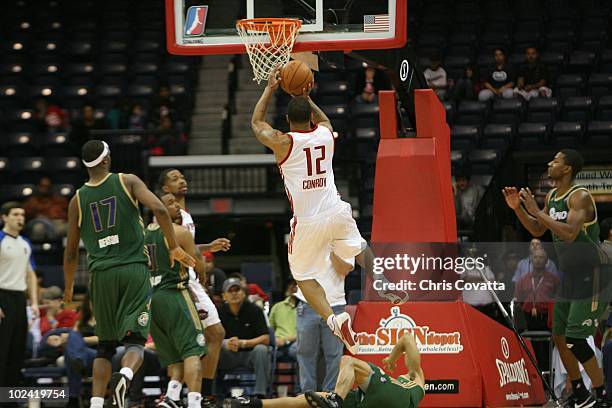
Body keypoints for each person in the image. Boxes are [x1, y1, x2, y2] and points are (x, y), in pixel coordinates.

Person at [251, 69, 400, 354]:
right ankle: (380, 278)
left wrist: (270, 89)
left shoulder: (283, 143)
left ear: (286, 120)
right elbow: (325, 120)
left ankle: (334, 320)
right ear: (310, 117)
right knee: (359, 246)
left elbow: (257, 123)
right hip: (336, 210)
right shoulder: (325, 135)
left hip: (307, 221)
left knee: (303, 276)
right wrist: (305, 96)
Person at [62, 140, 195, 408]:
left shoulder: (77, 199)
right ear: (106, 159)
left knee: (105, 346)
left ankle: (97, 402)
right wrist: (172, 246)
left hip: (100, 275)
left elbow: (71, 252)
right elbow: (159, 209)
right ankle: (124, 375)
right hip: (133, 269)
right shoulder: (127, 180)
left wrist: (68, 289)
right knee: (134, 342)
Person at [503, 149, 608, 406]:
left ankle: (602, 395)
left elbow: (571, 233)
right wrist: (519, 210)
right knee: (559, 337)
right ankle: (582, 395)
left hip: (592, 275)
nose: (550, 163)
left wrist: (537, 212)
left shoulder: (580, 196)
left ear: (568, 168)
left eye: (556, 161)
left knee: (575, 338)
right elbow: (539, 228)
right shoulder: (552, 196)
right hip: (570, 275)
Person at [159, 168, 230, 405]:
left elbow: (185, 246)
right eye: (174, 179)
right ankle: (195, 395)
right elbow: (170, 250)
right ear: (165, 190)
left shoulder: (184, 216)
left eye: (182, 177)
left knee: (205, 337)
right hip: (182, 282)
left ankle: (179, 393)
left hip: (189, 279)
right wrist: (198, 266)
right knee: (210, 335)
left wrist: (208, 246)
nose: (181, 181)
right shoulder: (164, 218)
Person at [226, 332, 425, 408]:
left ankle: (335, 400)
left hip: (389, 394)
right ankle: (253, 404)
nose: (408, 358)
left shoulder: (415, 380)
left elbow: (407, 338)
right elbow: (406, 341)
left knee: (348, 360)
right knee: (305, 400)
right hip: (369, 401)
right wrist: (392, 361)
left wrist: (391, 358)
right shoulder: (413, 379)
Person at [146, 193, 208, 408]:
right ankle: (194, 402)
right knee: (193, 351)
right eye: (170, 203)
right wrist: (204, 277)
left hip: (152, 300)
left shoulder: (142, 235)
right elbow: (198, 263)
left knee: (174, 357)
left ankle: (171, 397)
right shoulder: (179, 232)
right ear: (158, 209)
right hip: (174, 294)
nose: (177, 206)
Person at [0, 201, 39, 389]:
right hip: (2, 297)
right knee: (2, 349)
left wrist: (34, 303)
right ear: (4, 217)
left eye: (22, 215)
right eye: (15, 214)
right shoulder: (0, 239)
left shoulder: (26, 243)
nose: (20, 218)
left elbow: (30, 273)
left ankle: (10, 399)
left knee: (17, 350)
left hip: (19, 299)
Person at [218, 278, 271, 398]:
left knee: (261, 350)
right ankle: (211, 395)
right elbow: (211, 339)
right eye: (230, 291)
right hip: (228, 356)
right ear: (224, 296)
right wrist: (226, 343)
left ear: (244, 293)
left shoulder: (255, 310)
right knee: (212, 351)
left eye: (237, 290)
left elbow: (266, 338)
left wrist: (243, 343)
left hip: (250, 355)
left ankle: (260, 394)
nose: (234, 293)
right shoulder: (219, 312)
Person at [24, 176, 69, 241]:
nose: (45, 189)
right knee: (38, 228)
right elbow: (27, 216)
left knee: (72, 228)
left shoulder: (60, 200)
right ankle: (38, 250)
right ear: (38, 187)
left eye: (47, 186)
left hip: (59, 224)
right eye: (42, 186)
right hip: (42, 224)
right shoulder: (32, 201)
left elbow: (70, 214)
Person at [269, 279, 298, 360]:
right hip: (278, 343)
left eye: (295, 284)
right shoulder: (277, 307)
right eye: (290, 284)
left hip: (298, 342)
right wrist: (274, 340)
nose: (292, 287)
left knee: (296, 350)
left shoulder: (308, 308)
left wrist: (286, 340)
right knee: (264, 351)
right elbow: (270, 329)